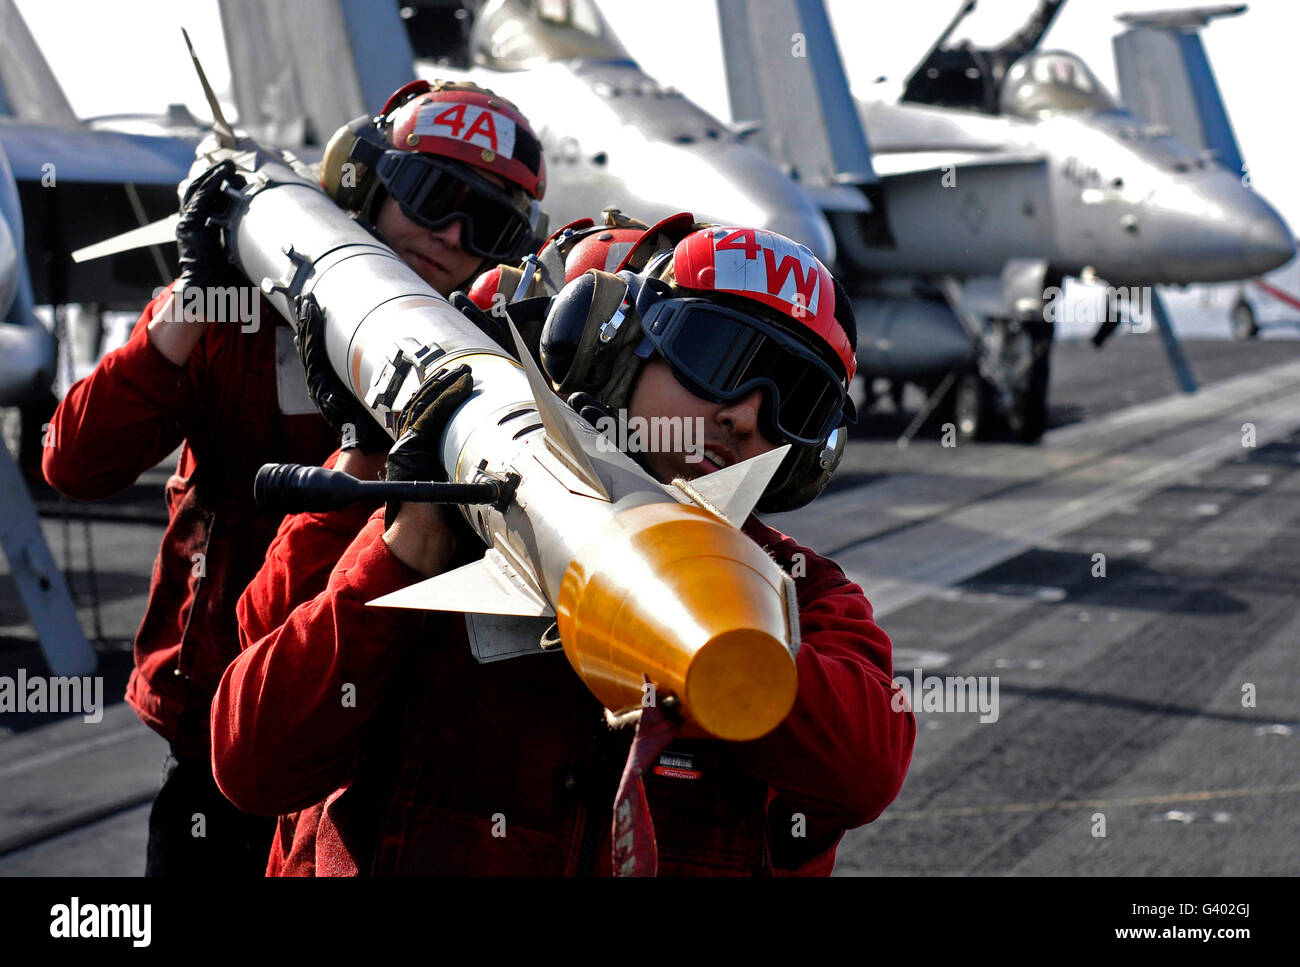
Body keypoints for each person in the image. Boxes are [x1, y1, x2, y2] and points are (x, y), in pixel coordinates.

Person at [212, 221, 915, 876]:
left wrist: (708, 624)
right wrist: (402, 549)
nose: (745, 415)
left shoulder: (801, 595)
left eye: (795, 399)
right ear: (616, 349)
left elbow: (863, 769)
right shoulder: (419, 527)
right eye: (716, 357)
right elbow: (254, 764)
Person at [41, 77, 547, 876]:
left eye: (485, 222)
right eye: (429, 195)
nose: (450, 233)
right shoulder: (229, 322)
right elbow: (75, 460)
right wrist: (193, 298)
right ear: (366, 182)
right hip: (215, 723)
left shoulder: (480, 369)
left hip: (355, 747)